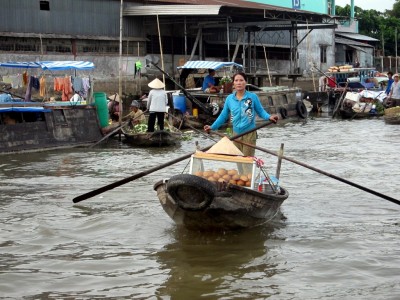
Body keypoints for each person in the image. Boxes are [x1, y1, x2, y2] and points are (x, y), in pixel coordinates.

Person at [204, 72, 279, 157]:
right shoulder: (230, 99)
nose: (239, 83)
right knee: (239, 161)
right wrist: (212, 127)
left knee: (247, 162)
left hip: (249, 133)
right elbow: (223, 116)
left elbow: (261, 111)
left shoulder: (252, 97)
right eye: (236, 80)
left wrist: (269, 117)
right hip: (236, 134)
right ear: (233, 83)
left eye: (241, 80)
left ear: (245, 82)